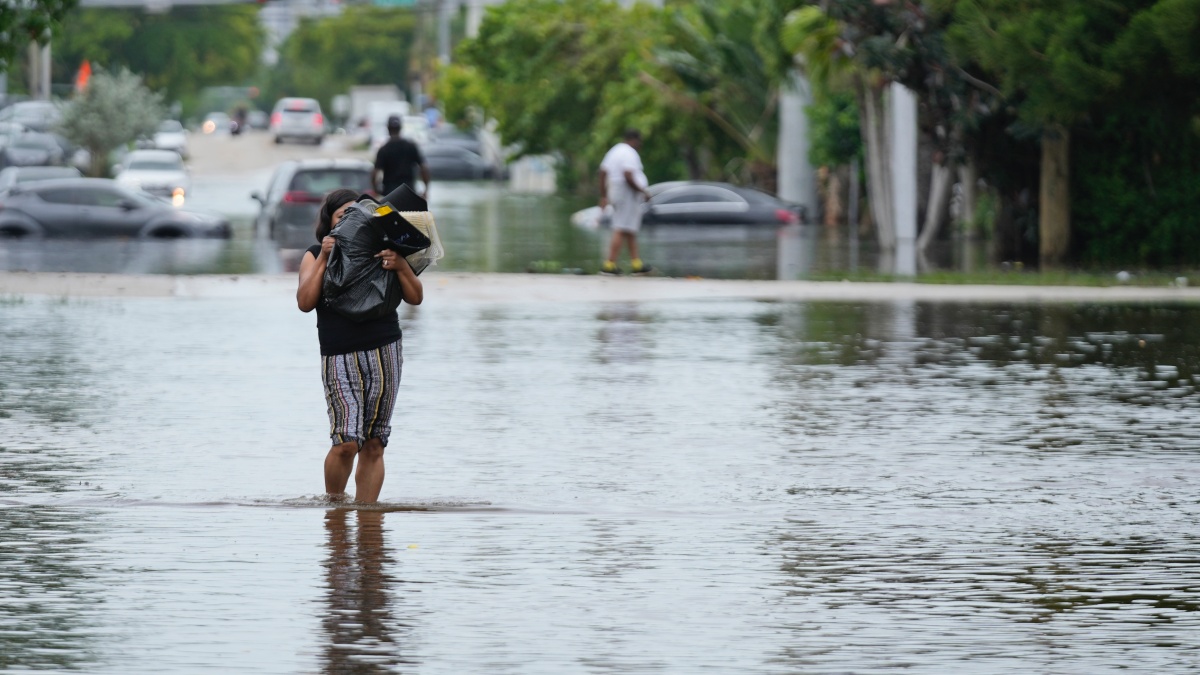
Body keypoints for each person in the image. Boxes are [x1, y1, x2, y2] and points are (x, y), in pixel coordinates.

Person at [297, 188, 424, 503]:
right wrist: (326, 257)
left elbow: (416, 297)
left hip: (384, 349)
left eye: (358, 214)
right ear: (330, 223)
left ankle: (368, 520)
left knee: (374, 442)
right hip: (338, 354)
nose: (352, 222)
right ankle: (335, 511)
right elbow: (304, 302)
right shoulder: (315, 253)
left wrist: (401, 265)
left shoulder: (386, 252)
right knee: (345, 442)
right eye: (343, 216)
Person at [599, 129, 653, 275]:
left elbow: (603, 173)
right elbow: (628, 175)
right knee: (620, 226)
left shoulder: (614, 151)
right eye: (639, 141)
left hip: (616, 191)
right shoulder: (629, 153)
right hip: (626, 193)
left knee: (630, 228)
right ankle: (609, 264)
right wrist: (642, 191)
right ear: (634, 140)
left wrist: (603, 196)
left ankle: (636, 264)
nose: (640, 145)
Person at [373, 116, 431, 199]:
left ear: (388, 128)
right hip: (409, 192)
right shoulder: (411, 146)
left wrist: (376, 190)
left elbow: (375, 173)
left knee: (387, 212)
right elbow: (424, 168)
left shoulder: (384, 149)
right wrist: (426, 190)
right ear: (400, 128)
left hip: (389, 194)